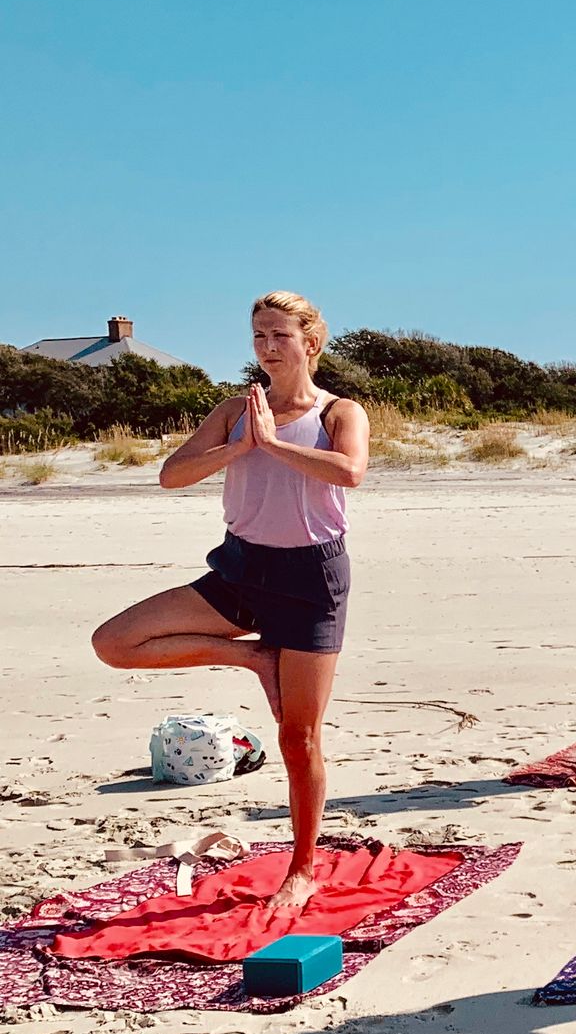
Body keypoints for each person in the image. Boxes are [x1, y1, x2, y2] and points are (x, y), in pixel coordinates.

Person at [91, 292, 368, 909]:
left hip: (311, 581)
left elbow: (350, 473)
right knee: (115, 643)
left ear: (310, 342)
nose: (269, 347)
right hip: (241, 569)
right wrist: (241, 444)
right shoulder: (234, 410)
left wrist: (272, 445)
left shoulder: (338, 411)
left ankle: (303, 867)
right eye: (259, 336)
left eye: (281, 336)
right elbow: (171, 475)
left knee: (299, 738)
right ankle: (253, 659)